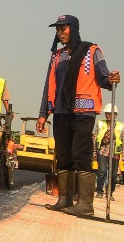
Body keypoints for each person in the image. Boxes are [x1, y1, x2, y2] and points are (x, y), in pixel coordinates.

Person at [36, 14, 121, 215]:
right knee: (63, 155)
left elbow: (103, 77)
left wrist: (111, 79)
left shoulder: (92, 51)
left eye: (63, 29)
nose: (59, 33)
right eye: (57, 30)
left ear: (73, 29)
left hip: (84, 111)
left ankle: (85, 204)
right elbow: (49, 85)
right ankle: (64, 200)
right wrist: (43, 114)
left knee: (80, 155)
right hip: (61, 111)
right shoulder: (57, 56)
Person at [95, 103, 122, 200]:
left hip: (115, 153)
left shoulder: (120, 126)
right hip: (103, 152)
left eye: (110, 113)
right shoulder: (101, 123)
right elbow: (95, 138)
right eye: (107, 113)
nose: (108, 115)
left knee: (113, 175)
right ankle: (99, 191)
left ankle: (110, 193)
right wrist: (94, 153)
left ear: (115, 115)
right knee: (101, 172)